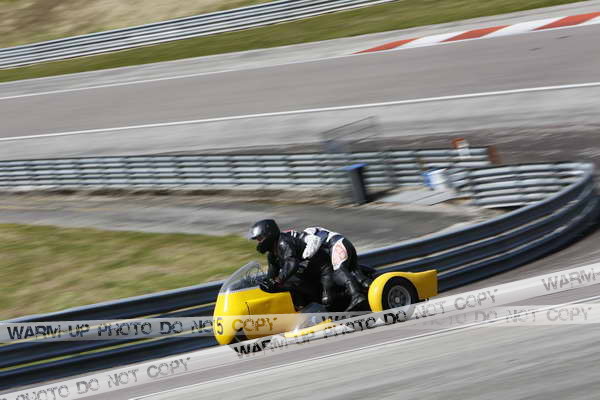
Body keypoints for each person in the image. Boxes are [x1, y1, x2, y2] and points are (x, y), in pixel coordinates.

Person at [250, 219, 367, 311]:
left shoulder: (284, 242)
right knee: (293, 286)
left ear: (269, 234)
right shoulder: (272, 255)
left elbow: (291, 263)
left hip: (323, 269)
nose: (258, 242)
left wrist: (278, 280)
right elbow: (271, 273)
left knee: (328, 300)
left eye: (259, 238)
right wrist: (266, 284)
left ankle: (357, 298)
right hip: (309, 273)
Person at [291, 226, 369, 311]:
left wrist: (303, 258)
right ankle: (371, 289)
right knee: (357, 275)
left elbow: (315, 241)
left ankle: (357, 296)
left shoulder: (303, 236)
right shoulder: (306, 234)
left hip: (337, 244)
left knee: (339, 271)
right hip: (341, 243)